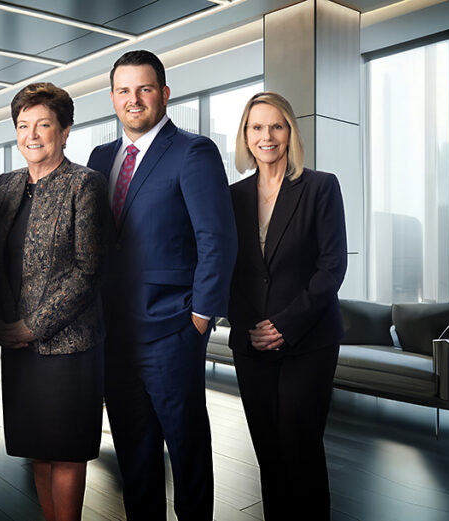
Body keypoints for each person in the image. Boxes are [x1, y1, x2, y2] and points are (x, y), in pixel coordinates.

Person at [86, 50, 237, 521]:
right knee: (133, 453)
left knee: (187, 448)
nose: (134, 100)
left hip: (173, 329)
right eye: (124, 91)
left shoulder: (193, 151)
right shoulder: (100, 157)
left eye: (145, 89)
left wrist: (199, 317)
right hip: (113, 333)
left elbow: (218, 238)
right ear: (112, 98)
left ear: (164, 94)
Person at [0, 82, 108, 521]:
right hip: (17, 348)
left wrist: (32, 326)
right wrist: (0, 325)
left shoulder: (85, 184)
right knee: (36, 448)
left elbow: (87, 270)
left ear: (65, 130)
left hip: (68, 347)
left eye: (43, 125)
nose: (32, 135)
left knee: (67, 451)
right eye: (23, 126)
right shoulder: (4, 186)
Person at [227, 91, 347, 521]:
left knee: (300, 446)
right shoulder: (232, 196)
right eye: (256, 127)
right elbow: (228, 268)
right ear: (245, 135)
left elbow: (331, 267)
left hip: (308, 340)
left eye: (276, 126)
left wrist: (282, 324)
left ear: (290, 132)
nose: (267, 136)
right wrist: (248, 325)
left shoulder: (320, 187)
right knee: (268, 450)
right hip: (251, 341)